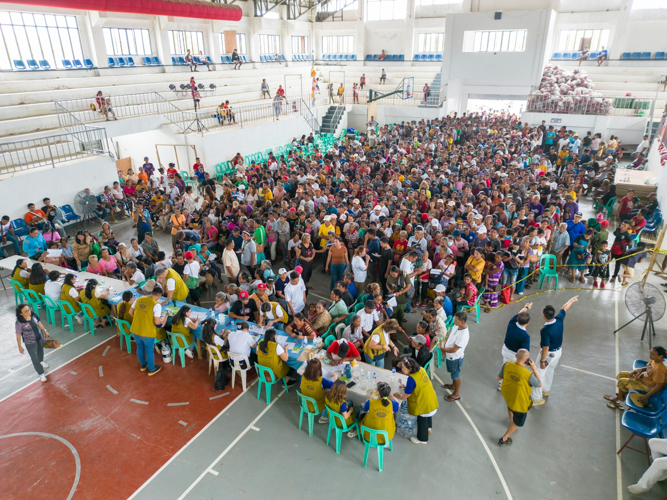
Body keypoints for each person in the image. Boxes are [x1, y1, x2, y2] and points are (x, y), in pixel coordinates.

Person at [531, 297, 578, 405]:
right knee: (550, 370)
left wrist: (542, 361)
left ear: (543, 315)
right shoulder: (559, 319)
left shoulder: (546, 330)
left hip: (548, 354)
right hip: (558, 352)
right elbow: (564, 307)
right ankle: (546, 390)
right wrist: (571, 300)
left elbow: (545, 347)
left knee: (538, 372)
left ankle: (536, 398)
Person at [497, 348, 542, 446]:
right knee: (518, 422)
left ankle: (511, 420)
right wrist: (534, 369)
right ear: (527, 360)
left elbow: (498, 378)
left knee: (510, 407)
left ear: (516, 356)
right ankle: (504, 439)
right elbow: (539, 384)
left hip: (508, 395)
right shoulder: (528, 374)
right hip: (519, 401)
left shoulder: (507, 365)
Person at [393, 357, 439, 444]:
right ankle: (429, 428)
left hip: (423, 403)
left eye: (403, 368)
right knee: (428, 414)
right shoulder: (421, 369)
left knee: (422, 420)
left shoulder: (411, 379)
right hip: (431, 399)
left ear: (410, 369)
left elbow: (407, 394)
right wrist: (408, 387)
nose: (402, 369)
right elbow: (419, 384)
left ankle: (422, 439)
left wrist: (400, 396)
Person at [129, 285, 166, 375]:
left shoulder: (139, 299)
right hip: (147, 332)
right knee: (149, 350)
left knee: (140, 348)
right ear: (159, 296)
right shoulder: (156, 305)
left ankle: (143, 365)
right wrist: (163, 320)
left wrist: (140, 319)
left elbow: (130, 312)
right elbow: (157, 322)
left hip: (135, 329)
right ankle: (151, 369)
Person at [15, 303, 53, 382]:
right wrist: (19, 346)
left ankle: (41, 361)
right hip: (30, 342)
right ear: (21, 313)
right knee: (34, 358)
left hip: (39, 337)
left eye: (29, 309)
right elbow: (18, 335)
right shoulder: (19, 323)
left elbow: (39, 322)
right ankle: (41, 373)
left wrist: (45, 331)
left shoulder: (33, 315)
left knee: (40, 351)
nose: (29, 312)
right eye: (26, 311)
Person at [498, 303, 532, 391]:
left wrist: (526, 307)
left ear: (517, 319)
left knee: (505, 366)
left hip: (505, 350)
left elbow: (519, 313)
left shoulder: (512, 322)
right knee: (514, 371)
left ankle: (501, 384)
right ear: (528, 323)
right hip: (515, 356)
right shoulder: (525, 336)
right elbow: (525, 352)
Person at [440, 311, 469, 402]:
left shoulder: (463, 335)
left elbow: (454, 349)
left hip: (455, 358)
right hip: (450, 355)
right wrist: (445, 348)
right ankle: (453, 386)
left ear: (462, 322)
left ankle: (456, 394)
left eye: (456, 320)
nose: (454, 322)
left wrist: (443, 350)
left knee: (456, 375)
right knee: (453, 373)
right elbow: (450, 336)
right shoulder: (457, 326)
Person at [300, 358, 335, 423]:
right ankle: (324, 417)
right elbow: (334, 386)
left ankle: (308, 413)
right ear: (319, 370)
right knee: (330, 395)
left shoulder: (302, 376)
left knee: (311, 393)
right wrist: (335, 376)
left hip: (304, 402)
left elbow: (300, 386)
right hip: (317, 405)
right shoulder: (321, 380)